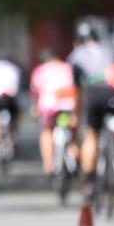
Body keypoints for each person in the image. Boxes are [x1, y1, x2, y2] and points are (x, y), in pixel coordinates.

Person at [67, 22, 114, 200]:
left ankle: (90, 183)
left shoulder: (76, 55)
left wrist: (76, 115)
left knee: (91, 135)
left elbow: (77, 91)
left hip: (94, 91)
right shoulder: (112, 50)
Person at [30, 49, 78, 177]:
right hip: (66, 107)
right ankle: (74, 151)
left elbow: (35, 92)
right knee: (71, 128)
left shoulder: (40, 71)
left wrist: (35, 108)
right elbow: (75, 88)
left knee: (47, 132)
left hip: (48, 107)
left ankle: (48, 165)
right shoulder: (67, 68)